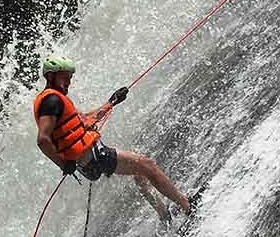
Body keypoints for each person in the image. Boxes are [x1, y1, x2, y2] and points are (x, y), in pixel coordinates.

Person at [34, 55, 190, 221]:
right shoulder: (51, 101)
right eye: (65, 78)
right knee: (148, 165)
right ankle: (187, 206)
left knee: (141, 172)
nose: (69, 82)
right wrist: (63, 164)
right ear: (51, 76)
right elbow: (43, 140)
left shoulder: (56, 99)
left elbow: (84, 121)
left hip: (89, 159)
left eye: (70, 78)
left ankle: (165, 216)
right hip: (93, 157)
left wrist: (111, 102)